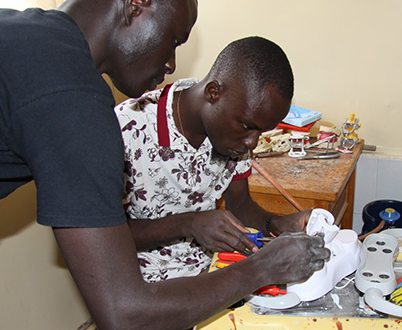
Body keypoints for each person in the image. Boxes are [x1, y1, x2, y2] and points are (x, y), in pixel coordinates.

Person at [0, 0, 330, 330]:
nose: (172, 64)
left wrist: (273, 228)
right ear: (137, 5)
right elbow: (125, 314)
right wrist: (261, 269)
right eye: (173, 40)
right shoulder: (77, 104)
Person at [116, 36, 313, 283]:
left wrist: (276, 224)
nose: (252, 142)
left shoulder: (234, 136)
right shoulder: (128, 127)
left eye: (260, 132)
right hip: (144, 286)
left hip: (210, 274)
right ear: (213, 93)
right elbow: (108, 235)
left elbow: (239, 204)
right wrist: (188, 224)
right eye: (248, 126)